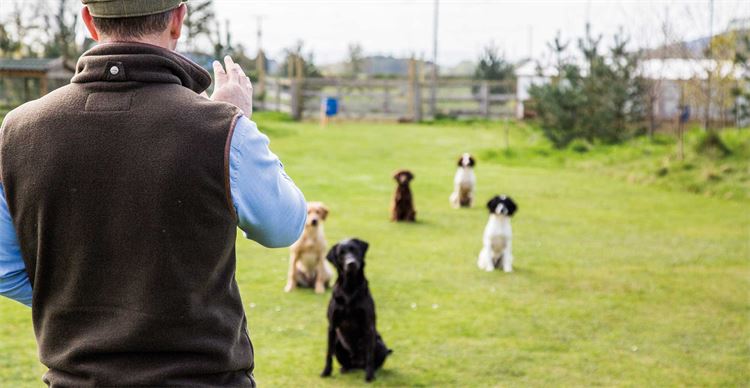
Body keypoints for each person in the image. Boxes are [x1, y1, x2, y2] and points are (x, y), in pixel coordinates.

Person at [0, 1, 307, 386]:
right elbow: (285, 226)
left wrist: (89, 302)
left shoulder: (16, 131)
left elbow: (6, 270)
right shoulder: (222, 128)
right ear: (178, 20)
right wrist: (237, 122)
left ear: (89, 22)